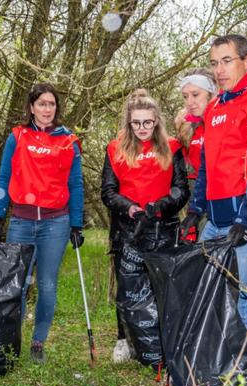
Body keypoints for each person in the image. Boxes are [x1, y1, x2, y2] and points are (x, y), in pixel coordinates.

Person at [179, 34, 247, 338]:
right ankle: (217, 368)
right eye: (215, 63)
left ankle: (242, 378)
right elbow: (207, 167)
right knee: (209, 294)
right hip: (215, 221)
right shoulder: (214, 107)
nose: (220, 70)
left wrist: (246, 220)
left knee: (242, 299)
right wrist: (195, 210)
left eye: (227, 61)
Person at [0, 83, 84, 364]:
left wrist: (77, 224)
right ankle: (12, 340)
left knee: (47, 284)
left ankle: (38, 342)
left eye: (51, 104)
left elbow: (75, 185)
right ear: (31, 107)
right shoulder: (17, 136)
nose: (47, 109)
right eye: (41, 103)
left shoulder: (68, 140)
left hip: (56, 223)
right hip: (21, 220)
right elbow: (4, 177)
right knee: (16, 284)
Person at [101, 90, 188, 364]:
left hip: (163, 226)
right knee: (127, 288)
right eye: (136, 123)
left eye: (147, 123)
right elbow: (108, 191)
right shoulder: (115, 149)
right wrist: (129, 208)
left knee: (162, 286)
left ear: (156, 122)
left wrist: (161, 205)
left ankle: (163, 338)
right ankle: (123, 339)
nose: (142, 129)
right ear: (129, 123)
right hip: (128, 228)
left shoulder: (172, 147)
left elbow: (181, 189)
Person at [173, 69, 217, 241]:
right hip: (197, 195)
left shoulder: (221, 122)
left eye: (195, 94)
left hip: (221, 197)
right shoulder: (192, 126)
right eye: (185, 97)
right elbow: (187, 163)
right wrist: (181, 134)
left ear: (211, 93)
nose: (189, 102)